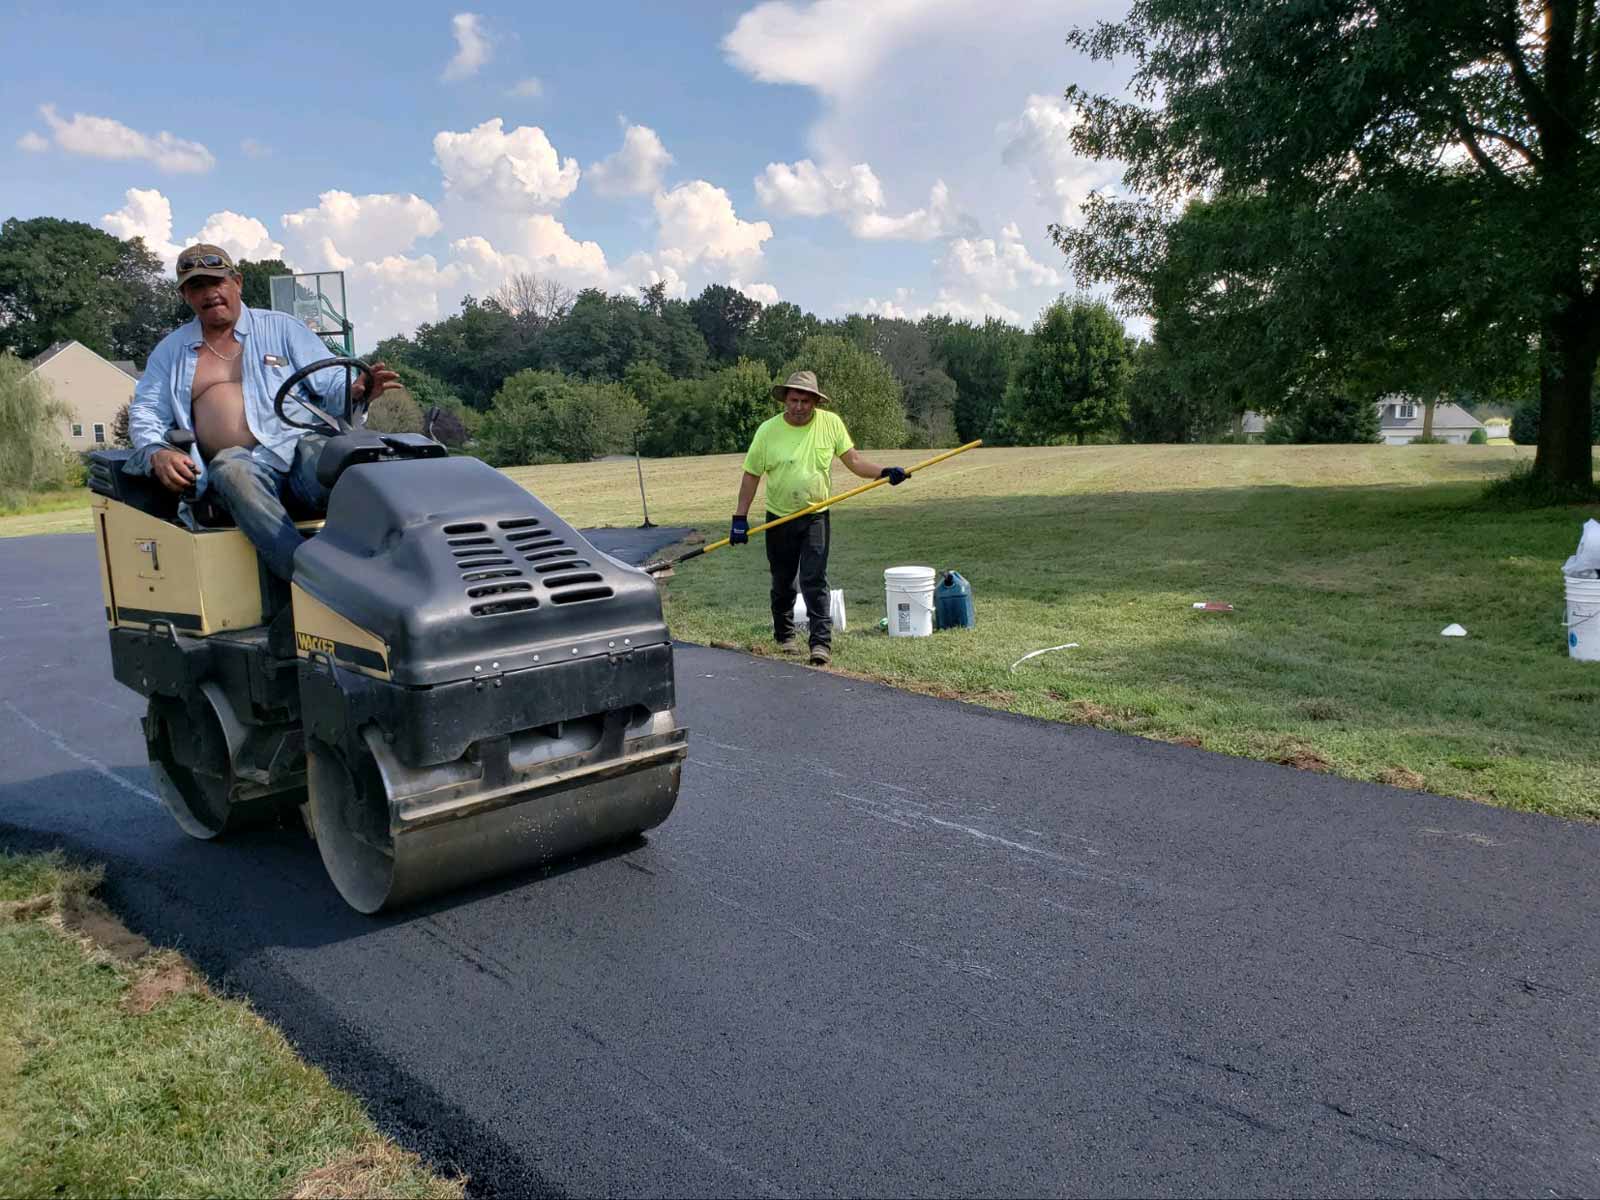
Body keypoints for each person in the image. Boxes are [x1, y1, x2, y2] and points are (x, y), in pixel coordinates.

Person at [127, 244, 399, 588]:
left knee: (352, 459)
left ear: (237, 282)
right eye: (197, 287)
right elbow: (147, 410)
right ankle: (310, 582)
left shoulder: (283, 328)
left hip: (298, 445)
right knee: (231, 467)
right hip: (240, 466)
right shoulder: (171, 351)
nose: (210, 293)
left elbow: (330, 382)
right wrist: (157, 451)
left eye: (217, 281)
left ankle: (392, 568)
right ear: (185, 296)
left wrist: (356, 388)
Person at [731, 370, 907, 666]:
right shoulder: (767, 431)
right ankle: (784, 635)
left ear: (815, 402)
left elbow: (854, 461)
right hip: (779, 517)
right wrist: (739, 518)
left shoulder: (831, 424)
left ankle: (820, 642)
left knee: (814, 578)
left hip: (816, 515)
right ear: (785, 400)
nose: (799, 406)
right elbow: (751, 475)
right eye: (794, 400)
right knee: (783, 580)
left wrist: (884, 472)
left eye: (805, 401)